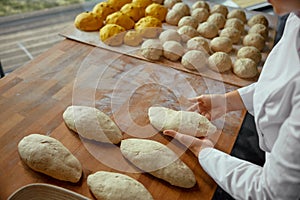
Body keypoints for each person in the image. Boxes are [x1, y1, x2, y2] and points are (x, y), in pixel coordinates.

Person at [163, 0, 300, 199]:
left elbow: (273, 193)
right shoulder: (295, 16)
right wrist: (231, 100)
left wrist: (204, 151)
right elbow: (284, 84)